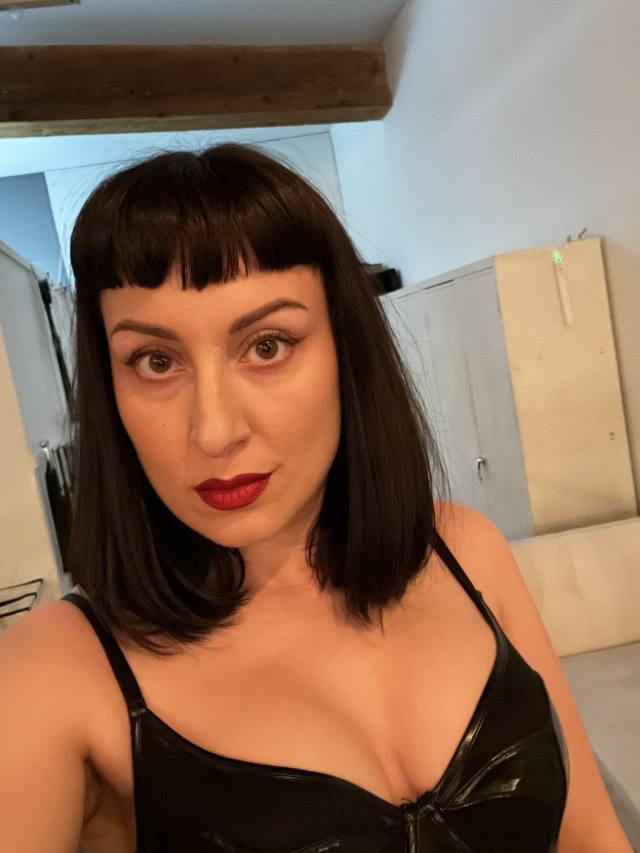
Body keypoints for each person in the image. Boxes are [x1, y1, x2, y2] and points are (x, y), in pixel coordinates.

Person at [0, 143, 632, 853]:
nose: (215, 431)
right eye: (156, 361)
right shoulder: (52, 671)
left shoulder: (464, 549)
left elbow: (592, 836)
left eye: (268, 345)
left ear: (344, 351)